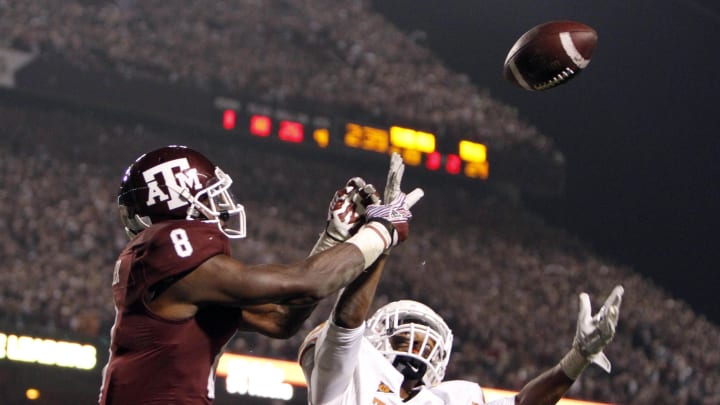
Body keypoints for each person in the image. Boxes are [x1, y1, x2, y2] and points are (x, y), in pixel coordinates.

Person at [98, 145, 423, 404]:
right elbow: (310, 284)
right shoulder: (167, 246)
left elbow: (280, 319)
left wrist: (336, 239)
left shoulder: (184, 278)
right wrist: (381, 230)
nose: (218, 203)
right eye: (208, 193)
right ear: (176, 197)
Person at [298, 155, 625, 405]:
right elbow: (346, 325)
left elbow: (521, 404)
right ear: (377, 338)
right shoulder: (349, 376)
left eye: (425, 346)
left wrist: (577, 358)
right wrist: (384, 238)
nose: (417, 352)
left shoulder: (446, 398)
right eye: (406, 341)